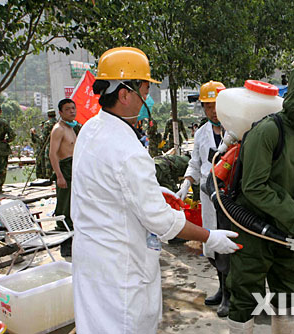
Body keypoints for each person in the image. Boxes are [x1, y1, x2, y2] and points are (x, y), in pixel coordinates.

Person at [71, 47, 239, 334]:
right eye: (145, 89)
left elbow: (106, 187)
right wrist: (210, 236)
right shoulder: (128, 150)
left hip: (92, 257)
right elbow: (161, 222)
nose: (146, 97)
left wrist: (154, 190)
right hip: (121, 264)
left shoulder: (90, 129)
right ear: (125, 93)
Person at [226, 64, 294, 333]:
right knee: (245, 296)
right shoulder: (268, 131)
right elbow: (254, 186)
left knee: (289, 293)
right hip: (253, 229)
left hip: (288, 230)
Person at [176, 80, 230, 317]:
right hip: (209, 195)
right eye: (208, 106)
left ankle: (231, 294)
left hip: (230, 198)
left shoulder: (237, 128)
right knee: (212, 246)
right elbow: (196, 163)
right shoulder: (201, 133)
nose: (213, 110)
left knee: (230, 244)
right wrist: (187, 182)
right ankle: (222, 288)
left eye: (216, 104)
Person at [49, 99, 81, 257]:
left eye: (73, 108)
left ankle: (74, 242)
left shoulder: (71, 127)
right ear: (60, 112)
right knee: (64, 208)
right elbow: (52, 154)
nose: (72, 112)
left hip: (74, 171)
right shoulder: (58, 129)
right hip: (65, 171)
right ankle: (65, 245)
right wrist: (59, 176)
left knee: (74, 207)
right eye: (68, 109)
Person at [0, 103, 15, 195]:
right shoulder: (4, 122)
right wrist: (6, 140)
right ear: (0, 111)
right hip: (2, 148)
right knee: (2, 169)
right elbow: (12, 135)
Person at [31, 109, 57, 179]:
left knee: (48, 167)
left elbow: (43, 140)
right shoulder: (59, 123)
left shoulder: (48, 124)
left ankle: (49, 179)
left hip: (49, 147)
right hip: (59, 147)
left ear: (48, 116)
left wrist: (34, 134)